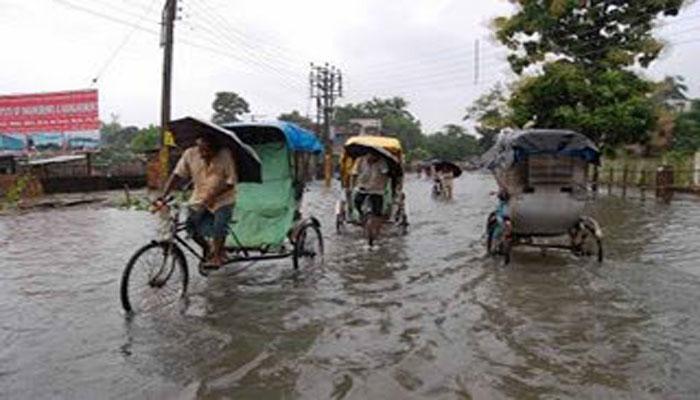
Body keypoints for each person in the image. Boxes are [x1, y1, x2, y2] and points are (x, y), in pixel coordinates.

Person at [157, 134, 237, 269]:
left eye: (207, 150)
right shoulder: (190, 154)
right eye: (201, 150)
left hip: (223, 198)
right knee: (190, 227)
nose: (203, 154)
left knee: (219, 225)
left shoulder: (225, 155)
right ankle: (207, 248)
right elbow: (177, 175)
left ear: (216, 148)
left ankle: (217, 256)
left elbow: (231, 182)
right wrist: (163, 195)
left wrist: (212, 196)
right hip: (199, 197)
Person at [351, 152, 390, 240]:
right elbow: (354, 173)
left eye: (374, 156)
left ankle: (376, 231)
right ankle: (361, 216)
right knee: (357, 201)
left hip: (377, 190)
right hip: (362, 187)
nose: (372, 157)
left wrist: (383, 187)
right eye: (370, 155)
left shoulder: (382, 162)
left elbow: (385, 175)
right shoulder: (360, 160)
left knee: (377, 211)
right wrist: (353, 186)